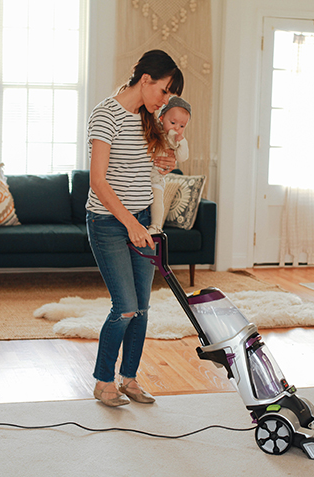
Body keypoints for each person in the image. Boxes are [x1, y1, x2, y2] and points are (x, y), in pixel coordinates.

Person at [86, 50, 184, 407]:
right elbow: (99, 181)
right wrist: (130, 224)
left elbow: (155, 166)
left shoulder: (150, 119)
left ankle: (129, 379)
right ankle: (102, 381)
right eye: (164, 91)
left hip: (142, 220)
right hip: (109, 223)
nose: (165, 100)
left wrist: (166, 161)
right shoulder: (105, 114)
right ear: (145, 80)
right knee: (125, 306)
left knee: (142, 308)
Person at [147, 96, 192, 234]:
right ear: (161, 118)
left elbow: (182, 157)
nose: (177, 128)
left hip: (157, 176)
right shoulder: (154, 130)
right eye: (173, 122)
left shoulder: (175, 140)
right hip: (143, 174)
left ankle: (155, 226)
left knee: (157, 199)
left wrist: (182, 143)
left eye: (182, 126)